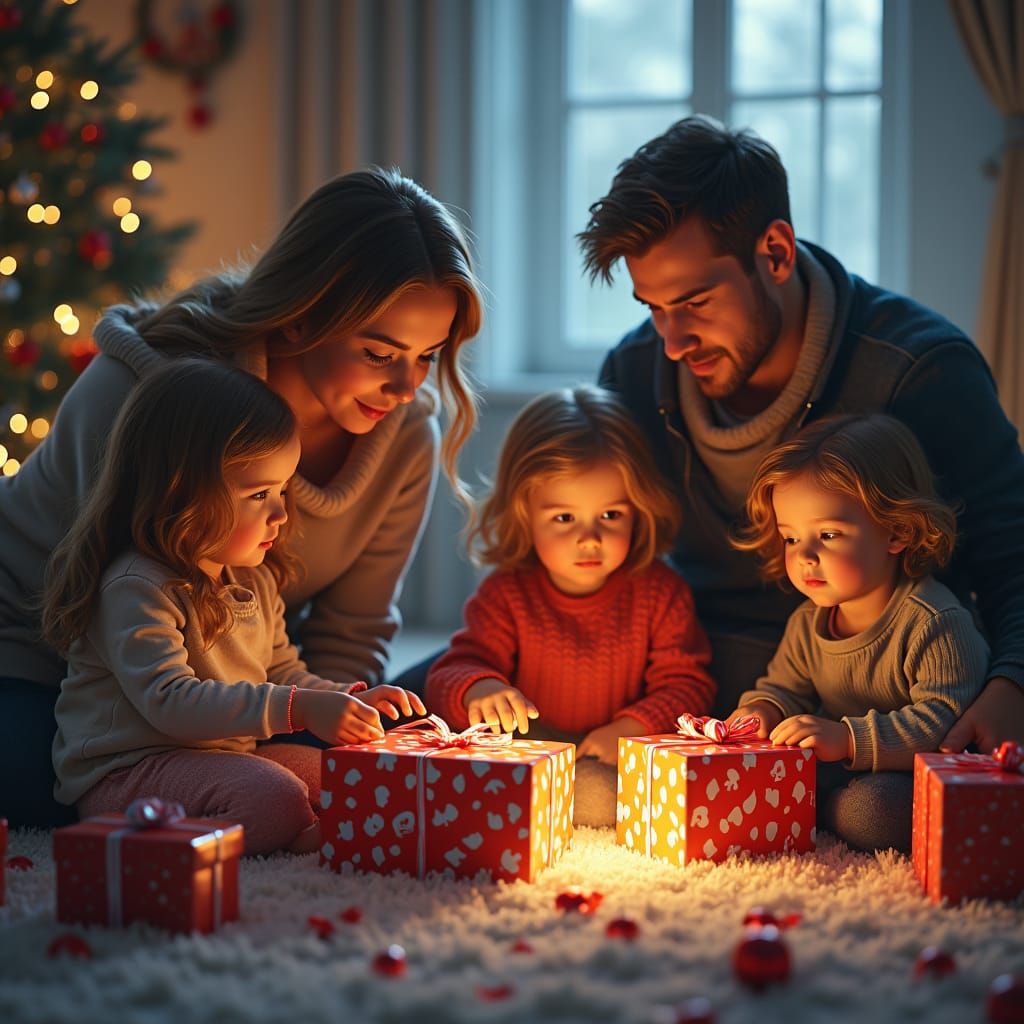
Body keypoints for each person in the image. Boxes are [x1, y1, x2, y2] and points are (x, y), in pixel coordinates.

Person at [0, 167, 482, 826]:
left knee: (429, 720)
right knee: (45, 790)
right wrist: (276, 725)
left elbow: (350, 632)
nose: (407, 386)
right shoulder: (149, 397)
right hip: (42, 656)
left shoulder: (405, 433)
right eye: (379, 353)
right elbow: (121, 643)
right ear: (296, 321)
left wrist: (340, 715)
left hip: (217, 690)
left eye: (428, 355)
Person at [578, 114, 1024, 751]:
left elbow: (1014, 552)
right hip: (687, 679)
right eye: (652, 308)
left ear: (777, 253)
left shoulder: (919, 371)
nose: (671, 344)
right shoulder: (633, 370)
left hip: (867, 694)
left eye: (695, 302)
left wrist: (1014, 684)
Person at [42, 360, 426, 855]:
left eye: (283, 489)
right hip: (129, 774)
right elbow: (171, 702)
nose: (282, 513)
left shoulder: (252, 579)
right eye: (260, 494)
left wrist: (346, 698)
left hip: (223, 759)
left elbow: (283, 669)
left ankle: (299, 829)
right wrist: (300, 709)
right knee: (277, 798)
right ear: (183, 492)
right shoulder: (137, 586)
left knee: (343, 777)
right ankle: (286, 837)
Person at [425, 386, 716, 827]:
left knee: (597, 796)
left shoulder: (660, 591)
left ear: (638, 510)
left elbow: (689, 686)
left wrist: (631, 729)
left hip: (615, 754)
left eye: (611, 516)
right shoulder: (507, 592)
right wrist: (479, 688)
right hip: (527, 751)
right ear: (524, 514)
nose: (589, 538)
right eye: (564, 518)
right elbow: (452, 670)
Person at [723, 414, 989, 853]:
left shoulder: (934, 621)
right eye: (791, 539)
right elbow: (785, 688)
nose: (805, 556)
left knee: (873, 811)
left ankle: (820, 813)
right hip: (841, 767)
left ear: (897, 531)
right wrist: (761, 712)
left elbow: (944, 723)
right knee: (754, 782)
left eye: (828, 535)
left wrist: (847, 739)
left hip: (909, 776)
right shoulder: (808, 622)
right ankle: (815, 808)